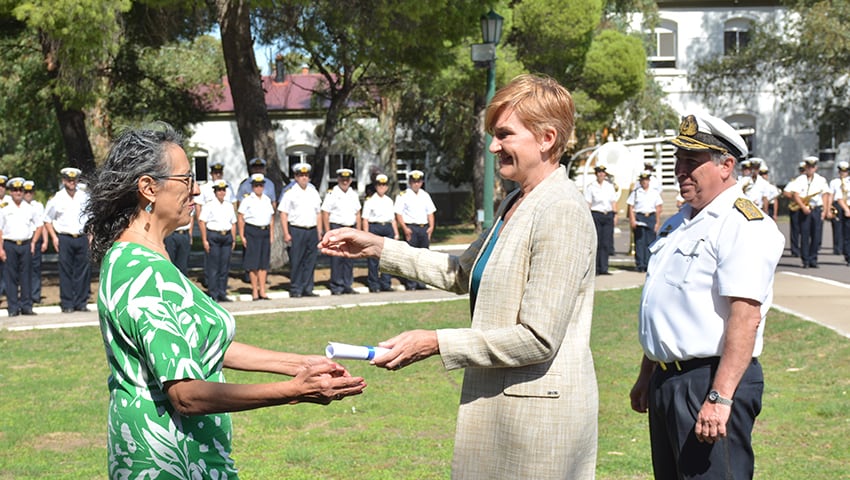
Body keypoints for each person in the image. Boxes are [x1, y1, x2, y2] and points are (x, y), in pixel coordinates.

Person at [319, 74, 598, 479]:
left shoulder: (561, 210)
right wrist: (379, 247)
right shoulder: (517, 202)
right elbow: (464, 273)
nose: (492, 147)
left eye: (504, 135)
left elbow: (537, 338)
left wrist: (435, 343)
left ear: (547, 138)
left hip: (537, 425)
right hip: (503, 411)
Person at [83, 125, 366, 479]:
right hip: (167, 465)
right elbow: (186, 394)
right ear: (148, 187)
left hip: (192, 458)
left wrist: (299, 364)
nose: (196, 189)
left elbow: (200, 342)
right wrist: (293, 391)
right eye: (186, 179)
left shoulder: (148, 260)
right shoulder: (140, 272)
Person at [629, 113, 783, 479]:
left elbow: (744, 317)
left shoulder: (742, 224)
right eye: (678, 160)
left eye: (692, 162)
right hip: (669, 381)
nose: (681, 170)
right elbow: (667, 307)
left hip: (710, 381)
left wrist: (720, 397)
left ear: (726, 165)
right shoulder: (679, 222)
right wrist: (647, 372)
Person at [44, 167, 93, 312]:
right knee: (65, 271)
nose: (72, 182)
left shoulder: (84, 197)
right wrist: (54, 238)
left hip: (82, 237)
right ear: (63, 181)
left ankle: (81, 302)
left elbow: (91, 219)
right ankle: (67, 303)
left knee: (83, 270)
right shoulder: (57, 198)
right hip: (65, 237)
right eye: (69, 180)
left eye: (74, 180)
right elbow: (47, 220)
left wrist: (91, 236)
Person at [0, 177, 43, 316]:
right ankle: (13, 308)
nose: (18, 192)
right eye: (15, 190)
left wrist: (33, 242)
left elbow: (39, 226)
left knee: (26, 277)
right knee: (10, 277)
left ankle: (26, 306)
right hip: (9, 244)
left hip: (25, 245)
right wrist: (0, 249)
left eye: (20, 190)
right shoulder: (4, 208)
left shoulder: (29, 208)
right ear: (10, 192)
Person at [278, 162, 322, 298]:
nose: (304, 178)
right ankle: (296, 288)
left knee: (310, 260)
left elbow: (318, 213)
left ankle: (308, 288)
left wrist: (319, 231)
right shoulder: (290, 192)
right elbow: (283, 213)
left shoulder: (313, 191)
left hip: (311, 230)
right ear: (295, 177)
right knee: (297, 260)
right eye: (301, 175)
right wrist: (286, 233)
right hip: (297, 230)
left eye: (306, 175)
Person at [393, 170, 436, 290]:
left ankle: (421, 283)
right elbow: (398, 213)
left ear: (421, 182)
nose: (416, 184)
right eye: (413, 182)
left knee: (423, 257)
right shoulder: (403, 195)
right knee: (410, 257)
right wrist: (405, 228)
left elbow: (430, 212)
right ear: (410, 182)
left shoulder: (425, 195)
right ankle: (411, 284)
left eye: (418, 182)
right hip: (411, 228)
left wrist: (431, 227)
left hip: (424, 228)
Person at [321, 168, 361, 295]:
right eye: (343, 179)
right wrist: (327, 231)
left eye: (347, 179)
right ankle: (337, 286)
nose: (345, 182)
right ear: (338, 179)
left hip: (350, 228)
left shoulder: (353, 194)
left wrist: (359, 231)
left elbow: (357, 213)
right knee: (337, 258)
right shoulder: (332, 193)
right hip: (337, 228)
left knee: (349, 258)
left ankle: (347, 284)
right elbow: (325, 213)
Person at [786, 156, 830, 268]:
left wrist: (825, 210)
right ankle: (805, 260)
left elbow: (825, 195)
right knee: (805, 235)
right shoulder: (800, 179)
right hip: (804, 209)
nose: (811, 169)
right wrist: (803, 207)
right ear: (806, 167)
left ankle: (813, 259)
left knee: (816, 236)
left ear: (816, 168)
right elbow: (795, 195)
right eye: (809, 167)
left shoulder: (821, 180)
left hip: (816, 209)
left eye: (813, 167)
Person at [198, 179, 237, 302]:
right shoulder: (209, 205)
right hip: (214, 236)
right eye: (219, 190)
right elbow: (202, 221)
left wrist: (234, 239)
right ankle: (213, 293)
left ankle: (222, 292)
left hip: (226, 236)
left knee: (224, 266)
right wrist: (204, 239)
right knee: (213, 267)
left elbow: (233, 223)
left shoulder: (228, 205)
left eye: (223, 190)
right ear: (215, 191)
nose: (221, 192)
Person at [238, 173, 275, 300]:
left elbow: (271, 218)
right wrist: (242, 235)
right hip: (252, 231)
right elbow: (241, 218)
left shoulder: (267, 199)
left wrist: (271, 234)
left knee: (263, 264)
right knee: (253, 263)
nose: (258, 188)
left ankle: (262, 290)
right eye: (256, 185)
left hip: (264, 231)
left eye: (260, 185)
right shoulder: (247, 200)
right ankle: (254, 290)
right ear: (252, 187)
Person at [361, 173, 399, 292]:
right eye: (379, 185)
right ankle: (374, 284)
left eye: (384, 185)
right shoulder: (370, 200)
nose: (382, 187)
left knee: (387, 258)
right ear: (376, 186)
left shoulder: (389, 201)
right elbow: (365, 219)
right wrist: (366, 235)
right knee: (373, 258)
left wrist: (396, 233)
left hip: (387, 228)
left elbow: (392, 219)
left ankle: (386, 284)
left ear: (387, 187)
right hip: (375, 228)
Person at [626, 171, 663, 273]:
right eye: (643, 180)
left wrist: (657, 222)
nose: (644, 182)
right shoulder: (636, 192)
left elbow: (658, 207)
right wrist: (632, 219)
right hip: (640, 217)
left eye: (646, 180)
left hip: (650, 216)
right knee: (640, 242)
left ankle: (649, 264)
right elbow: (631, 206)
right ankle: (640, 264)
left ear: (649, 181)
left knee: (650, 242)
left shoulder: (654, 192)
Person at [585, 164, 618, 275]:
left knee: (606, 242)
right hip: (596, 215)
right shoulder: (591, 187)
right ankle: (596, 268)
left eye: (603, 172)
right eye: (599, 172)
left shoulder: (609, 186)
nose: (601, 174)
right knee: (597, 242)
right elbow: (588, 203)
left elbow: (613, 202)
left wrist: (615, 215)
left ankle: (604, 267)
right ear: (596, 174)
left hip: (607, 215)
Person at [23, 180, 48, 304]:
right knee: (23, 269)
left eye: (30, 191)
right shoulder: (17, 206)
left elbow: (42, 223)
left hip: (36, 238)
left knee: (36, 268)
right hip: (24, 239)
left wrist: (45, 240)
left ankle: (35, 295)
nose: (28, 194)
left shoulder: (38, 206)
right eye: (26, 191)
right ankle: (25, 295)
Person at [784, 160, 807, 257]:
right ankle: (795, 250)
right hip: (796, 208)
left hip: (805, 207)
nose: (803, 172)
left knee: (805, 230)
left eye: (804, 169)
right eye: (801, 170)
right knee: (795, 229)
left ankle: (804, 250)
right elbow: (786, 192)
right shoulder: (795, 181)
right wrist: (797, 199)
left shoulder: (810, 181)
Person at [830, 161, 850, 264]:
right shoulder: (835, 182)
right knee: (838, 228)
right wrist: (830, 208)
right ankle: (838, 248)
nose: (843, 173)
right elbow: (832, 196)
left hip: (848, 205)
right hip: (839, 205)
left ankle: (846, 252)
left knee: (847, 231)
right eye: (842, 171)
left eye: (845, 171)